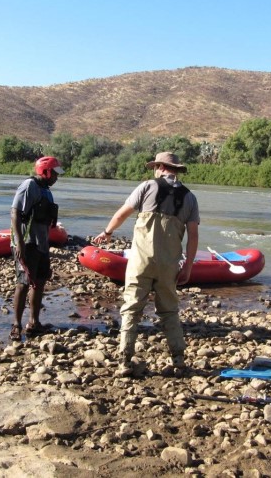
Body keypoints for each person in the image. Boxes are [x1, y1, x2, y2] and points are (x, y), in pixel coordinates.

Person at [94, 151, 200, 375]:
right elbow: (193, 236)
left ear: (159, 167)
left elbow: (123, 213)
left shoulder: (147, 187)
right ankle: (178, 360)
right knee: (170, 311)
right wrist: (188, 266)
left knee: (131, 309)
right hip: (169, 264)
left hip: (140, 261)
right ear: (176, 170)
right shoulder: (190, 197)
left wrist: (107, 232)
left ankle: (124, 362)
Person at [9, 156, 64, 341]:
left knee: (39, 282)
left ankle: (34, 322)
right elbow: (15, 213)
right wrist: (19, 243)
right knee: (23, 283)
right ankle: (16, 324)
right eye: (55, 173)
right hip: (28, 242)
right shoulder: (29, 186)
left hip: (41, 244)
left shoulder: (47, 191)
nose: (56, 177)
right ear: (45, 171)